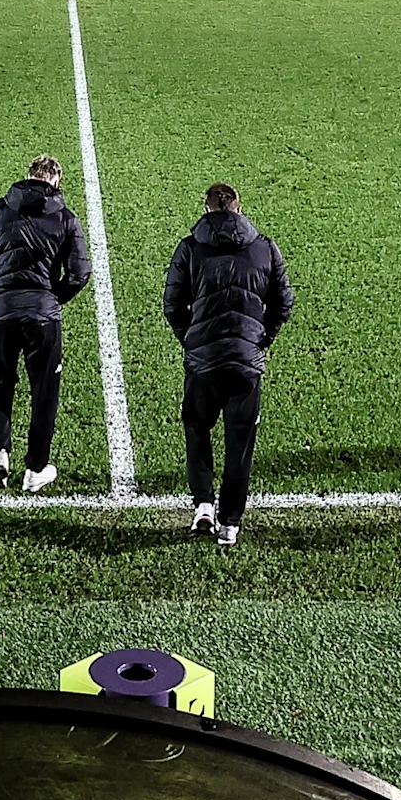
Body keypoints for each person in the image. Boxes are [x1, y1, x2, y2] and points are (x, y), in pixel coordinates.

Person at [162, 182, 291, 545]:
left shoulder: (189, 249)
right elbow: (284, 302)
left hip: (203, 363)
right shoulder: (264, 248)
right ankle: (230, 523)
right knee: (240, 444)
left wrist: (192, 340)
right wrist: (261, 340)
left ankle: (203, 503)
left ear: (206, 210)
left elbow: (172, 304)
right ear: (240, 207)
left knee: (196, 428)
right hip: (246, 365)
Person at [0, 156, 88, 491]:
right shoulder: (65, 218)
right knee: (44, 392)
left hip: (1, 313)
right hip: (42, 318)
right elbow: (80, 273)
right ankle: (35, 469)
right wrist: (52, 298)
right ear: (56, 181)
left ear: (28, 176)